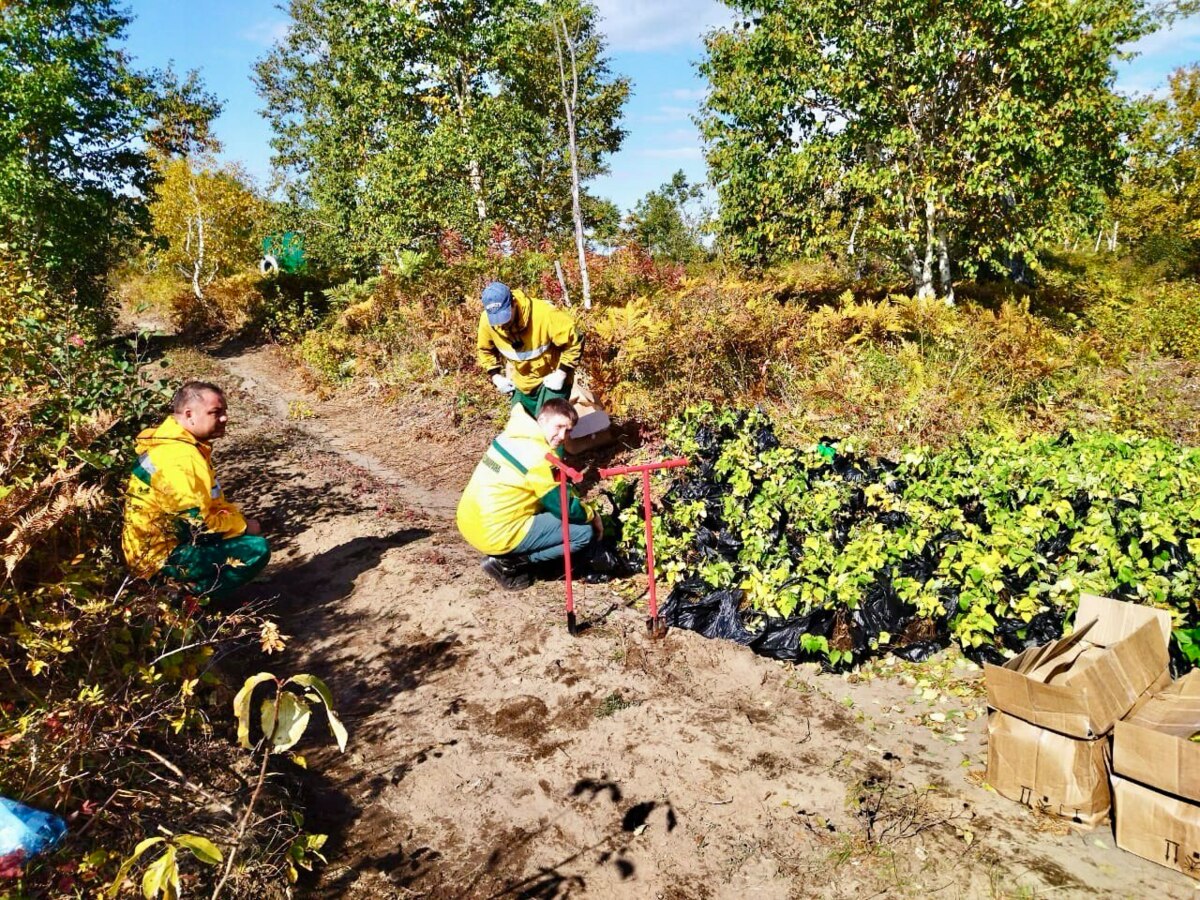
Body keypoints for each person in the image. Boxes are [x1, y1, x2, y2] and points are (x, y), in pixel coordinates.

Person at [122, 381, 270, 599]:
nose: (224, 418)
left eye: (225, 412)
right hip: (160, 559)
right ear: (189, 415)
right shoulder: (181, 458)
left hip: (149, 552)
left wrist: (237, 521)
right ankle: (184, 599)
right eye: (215, 412)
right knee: (256, 550)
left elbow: (210, 503)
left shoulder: (176, 444)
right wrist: (243, 526)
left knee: (242, 536)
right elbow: (197, 526)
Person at [457, 398, 606, 590]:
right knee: (583, 533)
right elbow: (564, 507)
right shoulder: (539, 457)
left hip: (468, 521)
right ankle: (510, 563)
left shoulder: (511, 435)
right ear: (542, 419)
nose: (562, 436)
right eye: (558, 426)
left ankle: (509, 554)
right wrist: (592, 515)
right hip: (495, 533)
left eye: (568, 430)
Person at [476, 281, 583, 417]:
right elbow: (485, 350)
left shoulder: (544, 313)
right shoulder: (487, 321)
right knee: (522, 426)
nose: (502, 324)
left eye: (505, 317)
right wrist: (495, 376)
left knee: (548, 425)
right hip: (522, 381)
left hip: (552, 377)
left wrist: (561, 373)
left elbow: (574, 341)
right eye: (497, 319)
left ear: (514, 303)